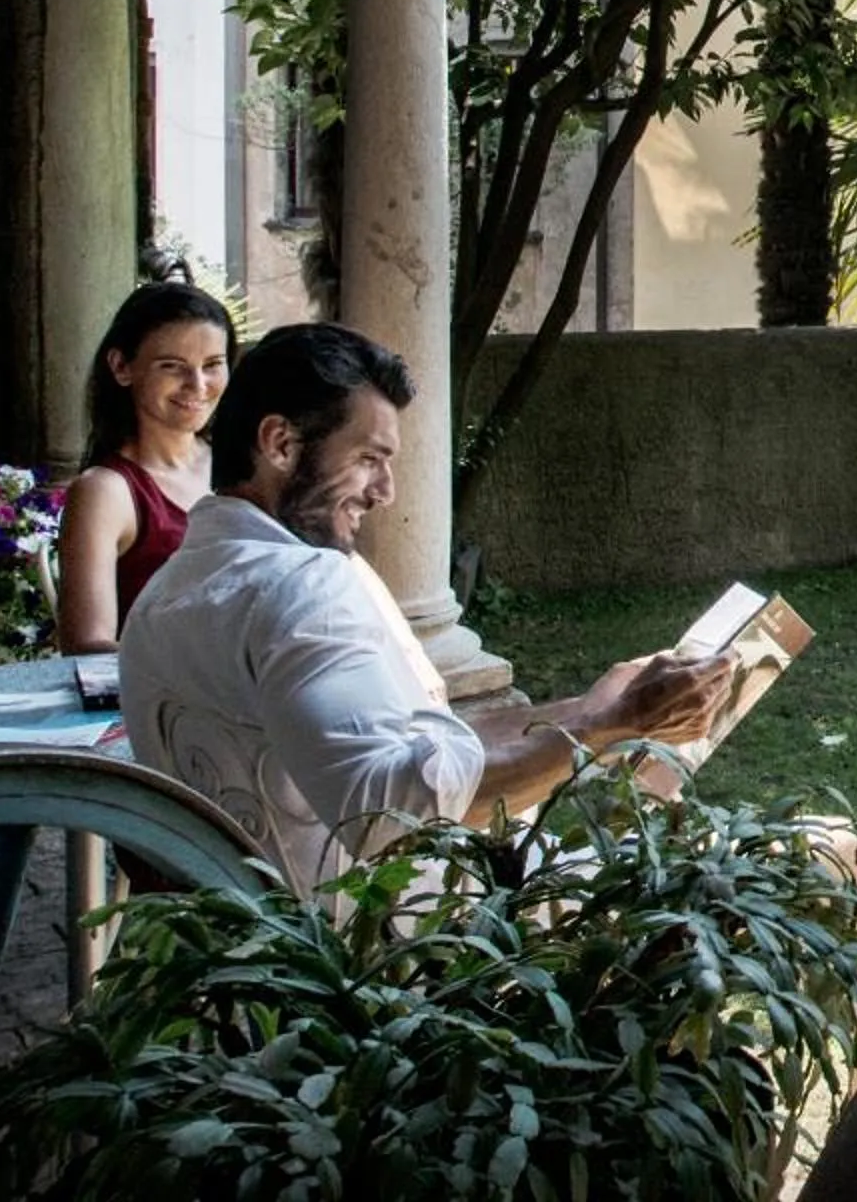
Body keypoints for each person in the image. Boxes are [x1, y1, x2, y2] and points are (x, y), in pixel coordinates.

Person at [120, 323, 728, 900]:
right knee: (757, 863)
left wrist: (594, 705)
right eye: (368, 458)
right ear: (280, 443)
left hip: (258, 953)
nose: (385, 491)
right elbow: (383, 814)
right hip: (401, 959)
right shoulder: (303, 586)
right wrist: (611, 726)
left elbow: (410, 743)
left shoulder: (167, 592)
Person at [57, 282, 235, 652]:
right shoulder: (105, 491)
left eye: (213, 365)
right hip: (166, 702)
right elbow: (87, 645)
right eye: (172, 366)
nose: (198, 385)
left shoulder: (240, 463)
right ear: (122, 367)